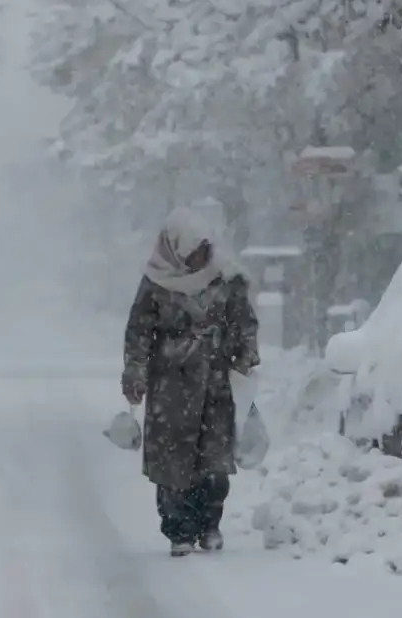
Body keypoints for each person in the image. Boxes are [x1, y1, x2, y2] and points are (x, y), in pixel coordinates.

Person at [121, 207, 260, 557]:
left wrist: (244, 359)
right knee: (173, 465)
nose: (199, 257)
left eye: (203, 249)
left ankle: (209, 525)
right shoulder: (156, 283)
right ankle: (179, 530)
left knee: (214, 462)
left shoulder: (226, 278)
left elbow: (244, 322)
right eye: (192, 251)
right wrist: (136, 371)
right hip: (170, 383)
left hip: (215, 382)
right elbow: (139, 332)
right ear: (176, 250)